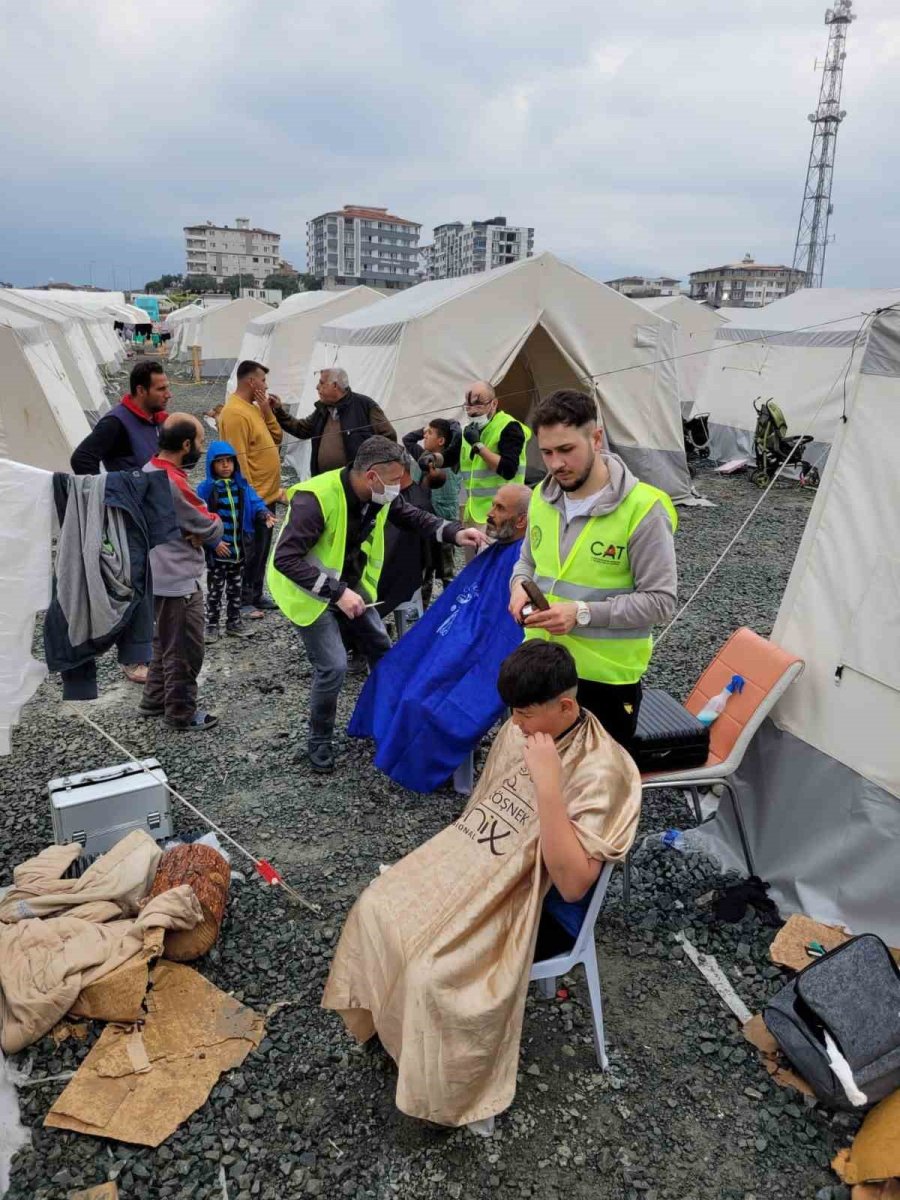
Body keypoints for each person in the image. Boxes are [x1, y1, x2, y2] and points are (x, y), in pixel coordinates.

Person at [324, 641, 640, 1131]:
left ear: (565, 708)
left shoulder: (606, 771)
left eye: (525, 714)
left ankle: (450, 1098)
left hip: (534, 900)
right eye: (512, 712)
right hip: (482, 864)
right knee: (376, 906)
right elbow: (482, 810)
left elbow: (573, 885)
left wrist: (548, 785)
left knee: (432, 971)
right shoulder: (524, 731)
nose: (515, 725)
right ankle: (390, 1030)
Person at [268, 436, 488, 772]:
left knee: (382, 648)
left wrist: (454, 532)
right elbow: (285, 559)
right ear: (372, 476)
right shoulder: (315, 499)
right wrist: (337, 593)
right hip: (308, 592)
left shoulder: (379, 495)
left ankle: (386, 719)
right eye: (395, 479)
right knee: (334, 666)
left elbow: (413, 517)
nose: (399, 487)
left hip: (348, 583)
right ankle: (319, 739)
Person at [509, 389, 677, 751]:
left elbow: (660, 602)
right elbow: (527, 561)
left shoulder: (643, 509)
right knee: (539, 770)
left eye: (566, 449)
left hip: (604, 682)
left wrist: (582, 613)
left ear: (596, 438)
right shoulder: (541, 497)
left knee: (594, 781)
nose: (556, 464)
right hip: (539, 670)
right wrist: (519, 584)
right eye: (547, 452)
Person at [348, 483, 531, 792]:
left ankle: (419, 760)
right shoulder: (499, 551)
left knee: (421, 698)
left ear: (522, 521)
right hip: (455, 637)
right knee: (392, 669)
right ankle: (390, 740)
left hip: (476, 652)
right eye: (493, 504)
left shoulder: (520, 565)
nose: (489, 513)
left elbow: (497, 631)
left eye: (500, 508)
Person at [70, 360, 173, 684]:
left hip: (151, 514)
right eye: (161, 388)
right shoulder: (117, 422)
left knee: (153, 582)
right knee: (136, 585)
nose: (168, 394)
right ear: (141, 390)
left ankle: (148, 646)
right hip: (130, 518)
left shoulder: (154, 420)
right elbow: (82, 458)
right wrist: (111, 494)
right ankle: (134, 659)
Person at [139, 414, 223, 731]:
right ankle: (180, 712)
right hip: (177, 576)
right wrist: (213, 526)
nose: (201, 447)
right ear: (186, 445)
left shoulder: (149, 468)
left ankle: (154, 698)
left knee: (164, 640)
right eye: (200, 441)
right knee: (185, 648)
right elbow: (207, 524)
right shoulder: (173, 482)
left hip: (156, 571)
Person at [217, 360, 284, 618]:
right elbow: (238, 461)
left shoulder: (254, 409)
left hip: (267, 495)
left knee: (262, 548)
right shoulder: (235, 413)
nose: (266, 386)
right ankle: (242, 601)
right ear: (251, 382)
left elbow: (277, 439)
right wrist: (249, 499)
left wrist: (267, 411)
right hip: (253, 498)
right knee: (248, 550)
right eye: (263, 381)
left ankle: (255, 593)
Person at [196, 441, 276, 642]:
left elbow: (256, 503)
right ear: (211, 465)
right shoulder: (206, 489)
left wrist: (264, 514)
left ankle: (234, 622)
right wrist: (213, 543)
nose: (225, 465)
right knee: (214, 592)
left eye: (229, 461)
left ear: (235, 463)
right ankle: (211, 625)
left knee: (235, 590)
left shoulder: (242, 486)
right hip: (218, 553)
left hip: (239, 551)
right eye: (220, 461)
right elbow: (199, 518)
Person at [271, 367, 396, 476]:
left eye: (322, 383)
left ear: (335, 386)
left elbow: (388, 437)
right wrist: (279, 411)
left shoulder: (365, 406)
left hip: (354, 485)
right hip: (324, 481)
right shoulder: (323, 409)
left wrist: (372, 469)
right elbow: (301, 429)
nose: (317, 387)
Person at [459, 381, 531, 556]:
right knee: (475, 568)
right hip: (473, 515)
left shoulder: (509, 427)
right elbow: (452, 459)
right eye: (468, 406)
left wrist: (478, 446)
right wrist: (436, 459)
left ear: (494, 403)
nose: (472, 411)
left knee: (495, 565)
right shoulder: (469, 430)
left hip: (501, 515)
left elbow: (508, 469)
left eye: (478, 404)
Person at [403, 418, 462, 600]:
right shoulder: (423, 457)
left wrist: (452, 429)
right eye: (425, 433)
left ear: (441, 441)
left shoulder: (453, 459)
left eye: (430, 433)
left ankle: (451, 606)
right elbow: (407, 440)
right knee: (425, 570)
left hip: (445, 521)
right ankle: (424, 609)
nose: (425, 436)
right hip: (424, 521)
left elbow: (457, 443)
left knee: (447, 571)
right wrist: (425, 429)